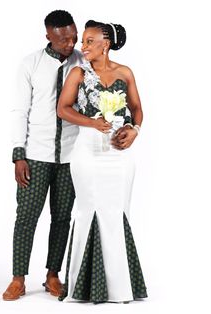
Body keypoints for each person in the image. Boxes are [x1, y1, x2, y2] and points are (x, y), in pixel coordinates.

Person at [57, 20, 148, 303]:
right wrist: (91, 123)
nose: (82, 47)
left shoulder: (125, 73)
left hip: (119, 155)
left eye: (89, 41)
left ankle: (119, 288)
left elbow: (137, 110)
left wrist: (134, 130)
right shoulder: (78, 73)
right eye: (83, 41)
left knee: (117, 210)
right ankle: (84, 286)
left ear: (105, 44)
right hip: (88, 151)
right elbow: (62, 108)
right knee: (90, 209)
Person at [2, 10, 83, 301]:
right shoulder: (30, 64)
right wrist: (18, 154)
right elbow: (20, 110)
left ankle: (53, 275)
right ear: (48, 35)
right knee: (26, 218)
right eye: (63, 39)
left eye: (73, 36)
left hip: (71, 156)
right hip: (35, 154)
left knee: (62, 217)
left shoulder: (82, 62)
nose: (70, 43)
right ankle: (17, 278)